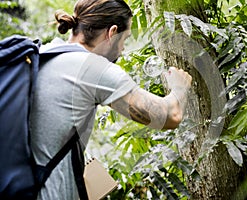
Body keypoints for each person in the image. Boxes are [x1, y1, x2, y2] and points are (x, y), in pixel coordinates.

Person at [29, 0, 192, 199]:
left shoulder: (41, 54)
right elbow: (170, 116)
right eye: (124, 39)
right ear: (112, 32)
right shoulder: (91, 67)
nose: (122, 49)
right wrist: (179, 88)